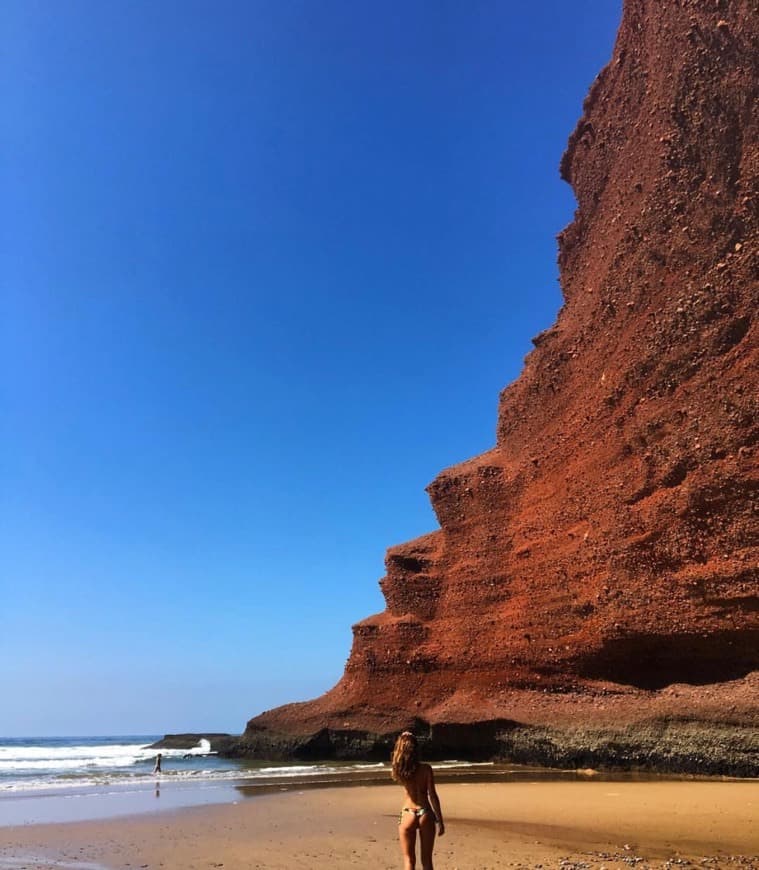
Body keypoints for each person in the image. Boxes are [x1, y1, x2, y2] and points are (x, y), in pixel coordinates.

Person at [391, 731, 444, 870]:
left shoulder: (400, 769)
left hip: (407, 813)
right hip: (425, 812)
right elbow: (433, 795)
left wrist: (403, 738)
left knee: (409, 861)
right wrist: (440, 820)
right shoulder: (426, 769)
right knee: (427, 861)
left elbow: (397, 757)